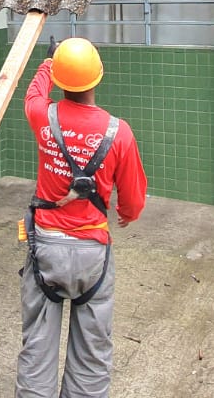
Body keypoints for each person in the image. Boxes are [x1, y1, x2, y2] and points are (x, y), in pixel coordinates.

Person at [17, 36, 147, 398]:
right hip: (92, 252)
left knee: (37, 348)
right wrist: (126, 214)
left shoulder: (43, 117)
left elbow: (33, 95)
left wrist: (46, 63)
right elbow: (134, 196)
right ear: (97, 78)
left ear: (61, 81)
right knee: (92, 354)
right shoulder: (119, 132)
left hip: (45, 250)